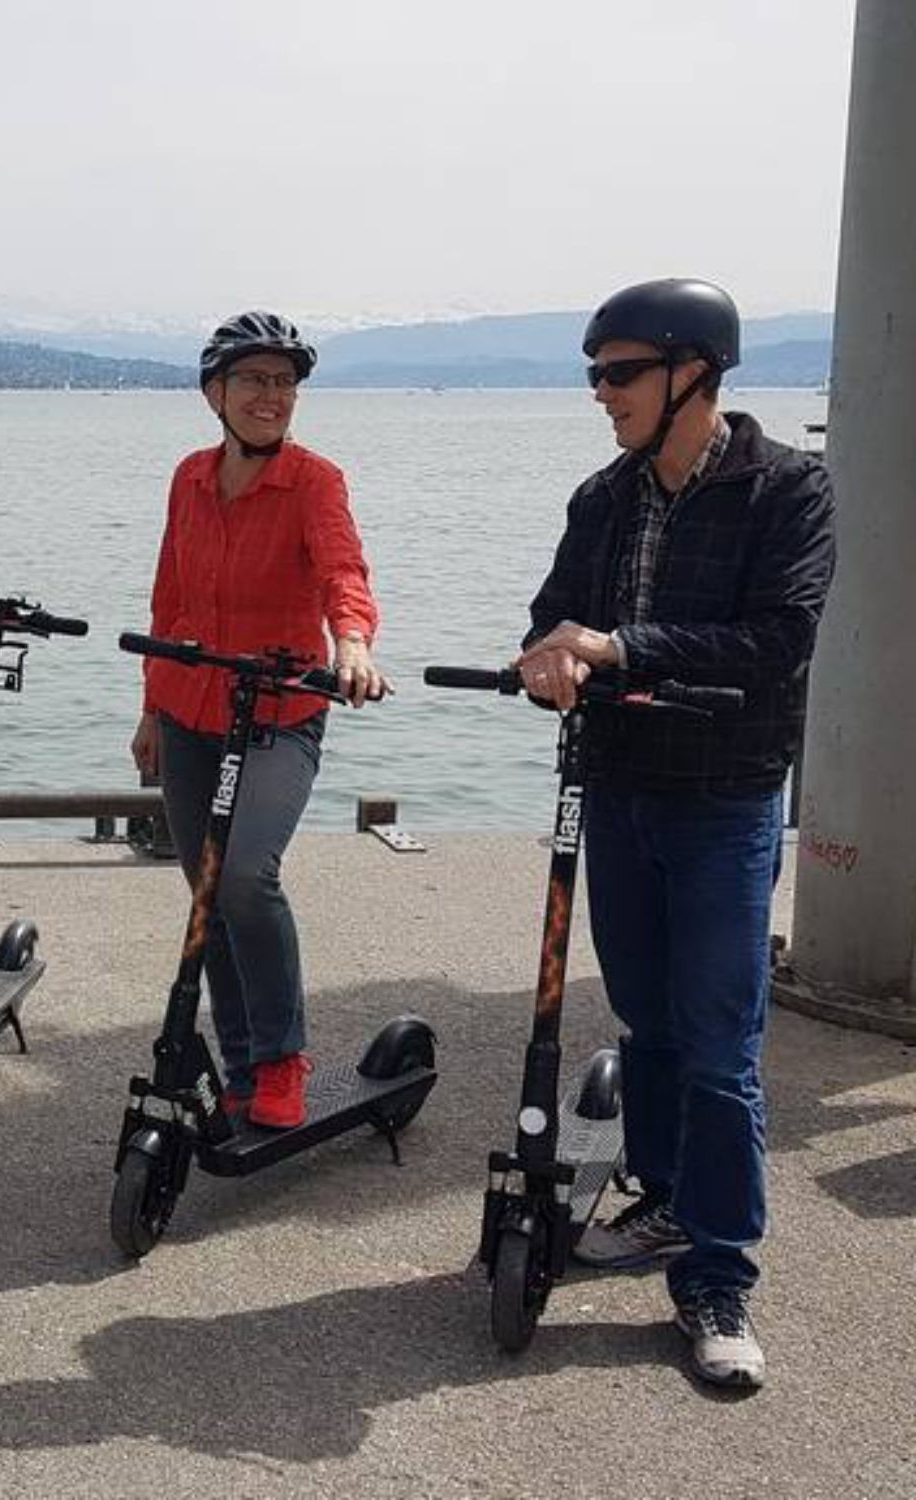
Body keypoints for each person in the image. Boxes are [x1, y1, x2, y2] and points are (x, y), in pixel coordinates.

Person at [516, 277, 836, 1390]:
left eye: (618, 372)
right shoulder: (601, 497)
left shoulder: (785, 491)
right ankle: (658, 1196)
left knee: (715, 1047)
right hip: (618, 789)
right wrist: (548, 657)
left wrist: (614, 649)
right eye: (594, 374)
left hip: (725, 799)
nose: (600, 394)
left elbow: (775, 640)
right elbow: (555, 612)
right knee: (645, 1020)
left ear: (691, 371)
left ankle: (717, 1274)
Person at [129, 311, 388, 1131]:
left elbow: (343, 569)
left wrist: (351, 642)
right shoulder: (189, 478)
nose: (271, 397)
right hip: (188, 710)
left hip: (281, 713)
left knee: (244, 874)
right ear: (216, 393)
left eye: (284, 383)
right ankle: (241, 1061)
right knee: (207, 890)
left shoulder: (315, 481)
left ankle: (281, 1057)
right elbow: (169, 597)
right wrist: (148, 708)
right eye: (253, 380)